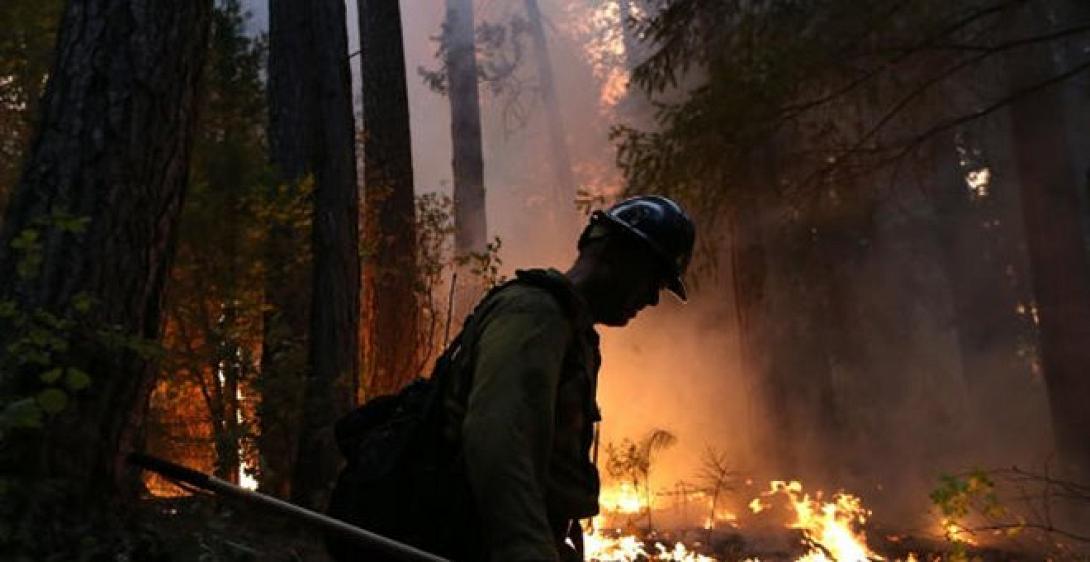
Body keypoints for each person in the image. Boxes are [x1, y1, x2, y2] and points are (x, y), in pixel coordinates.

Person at [437, 195, 696, 561]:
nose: (654, 298)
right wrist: (525, 550)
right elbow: (498, 443)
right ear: (617, 255)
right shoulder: (534, 316)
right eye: (653, 277)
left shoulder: (570, 330)